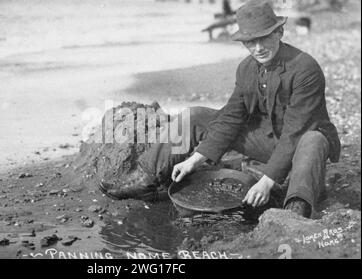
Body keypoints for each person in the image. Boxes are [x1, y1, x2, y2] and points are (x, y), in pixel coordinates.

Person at [98, 0, 341, 218]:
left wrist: (266, 182)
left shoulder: (305, 68)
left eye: (264, 38)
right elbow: (231, 117)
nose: (258, 48)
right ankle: (146, 176)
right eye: (250, 41)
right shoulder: (246, 68)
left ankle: (296, 208)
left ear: (280, 32)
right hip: (266, 142)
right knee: (196, 115)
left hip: (302, 148)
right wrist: (196, 159)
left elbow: (294, 132)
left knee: (314, 139)